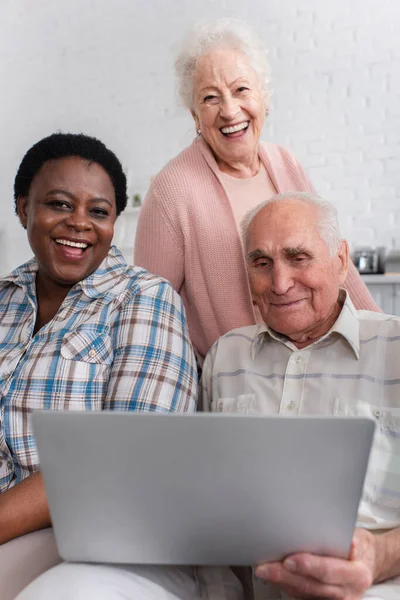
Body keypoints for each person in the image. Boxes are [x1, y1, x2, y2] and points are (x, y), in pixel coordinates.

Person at [0, 132, 197, 599]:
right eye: (60, 204)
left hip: (94, 540)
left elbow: (125, 456)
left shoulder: (144, 298)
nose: (79, 224)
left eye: (99, 212)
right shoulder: (3, 299)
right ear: (24, 207)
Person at [134, 17, 379, 364]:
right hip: (236, 384)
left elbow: (338, 271)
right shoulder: (171, 189)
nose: (230, 110)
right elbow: (149, 316)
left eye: (241, 90)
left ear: (264, 97)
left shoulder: (286, 163)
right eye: (210, 97)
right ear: (195, 115)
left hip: (315, 367)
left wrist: (384, 338)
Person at [200, 191, 400, 599]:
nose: (280, 282)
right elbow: (203, 502)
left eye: (298, 257)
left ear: (341, 261)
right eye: (262, 263)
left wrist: (381, 554)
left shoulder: (394, 349)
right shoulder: (224, 356)